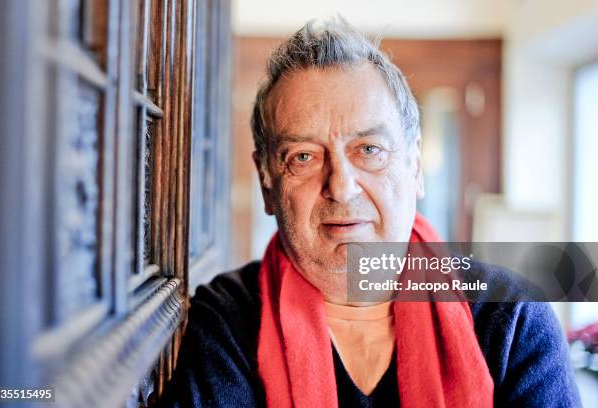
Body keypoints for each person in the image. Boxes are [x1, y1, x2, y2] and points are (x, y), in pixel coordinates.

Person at [162, 19, 581, 407]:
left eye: (369, 150)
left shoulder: (510, 316)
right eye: (303, 156)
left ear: (415, 167)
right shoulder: (228, 318)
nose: (341, 186)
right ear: (266, 181)